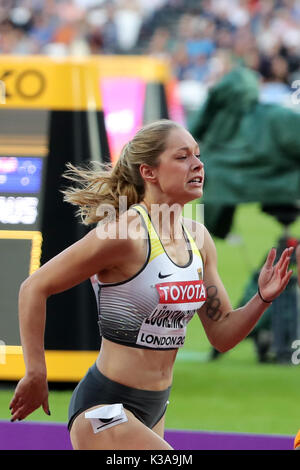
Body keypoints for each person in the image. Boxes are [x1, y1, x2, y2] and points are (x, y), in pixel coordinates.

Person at [9, 119, 294, 450]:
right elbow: (34, 287)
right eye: (182, 157)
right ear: (149, 172)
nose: (198, 164)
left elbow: (223, 335)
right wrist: (35, 372)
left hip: (155, 406)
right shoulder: (123, 235)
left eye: (198, 156)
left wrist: (261, 298)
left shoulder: (198, 239)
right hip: (104, 407)